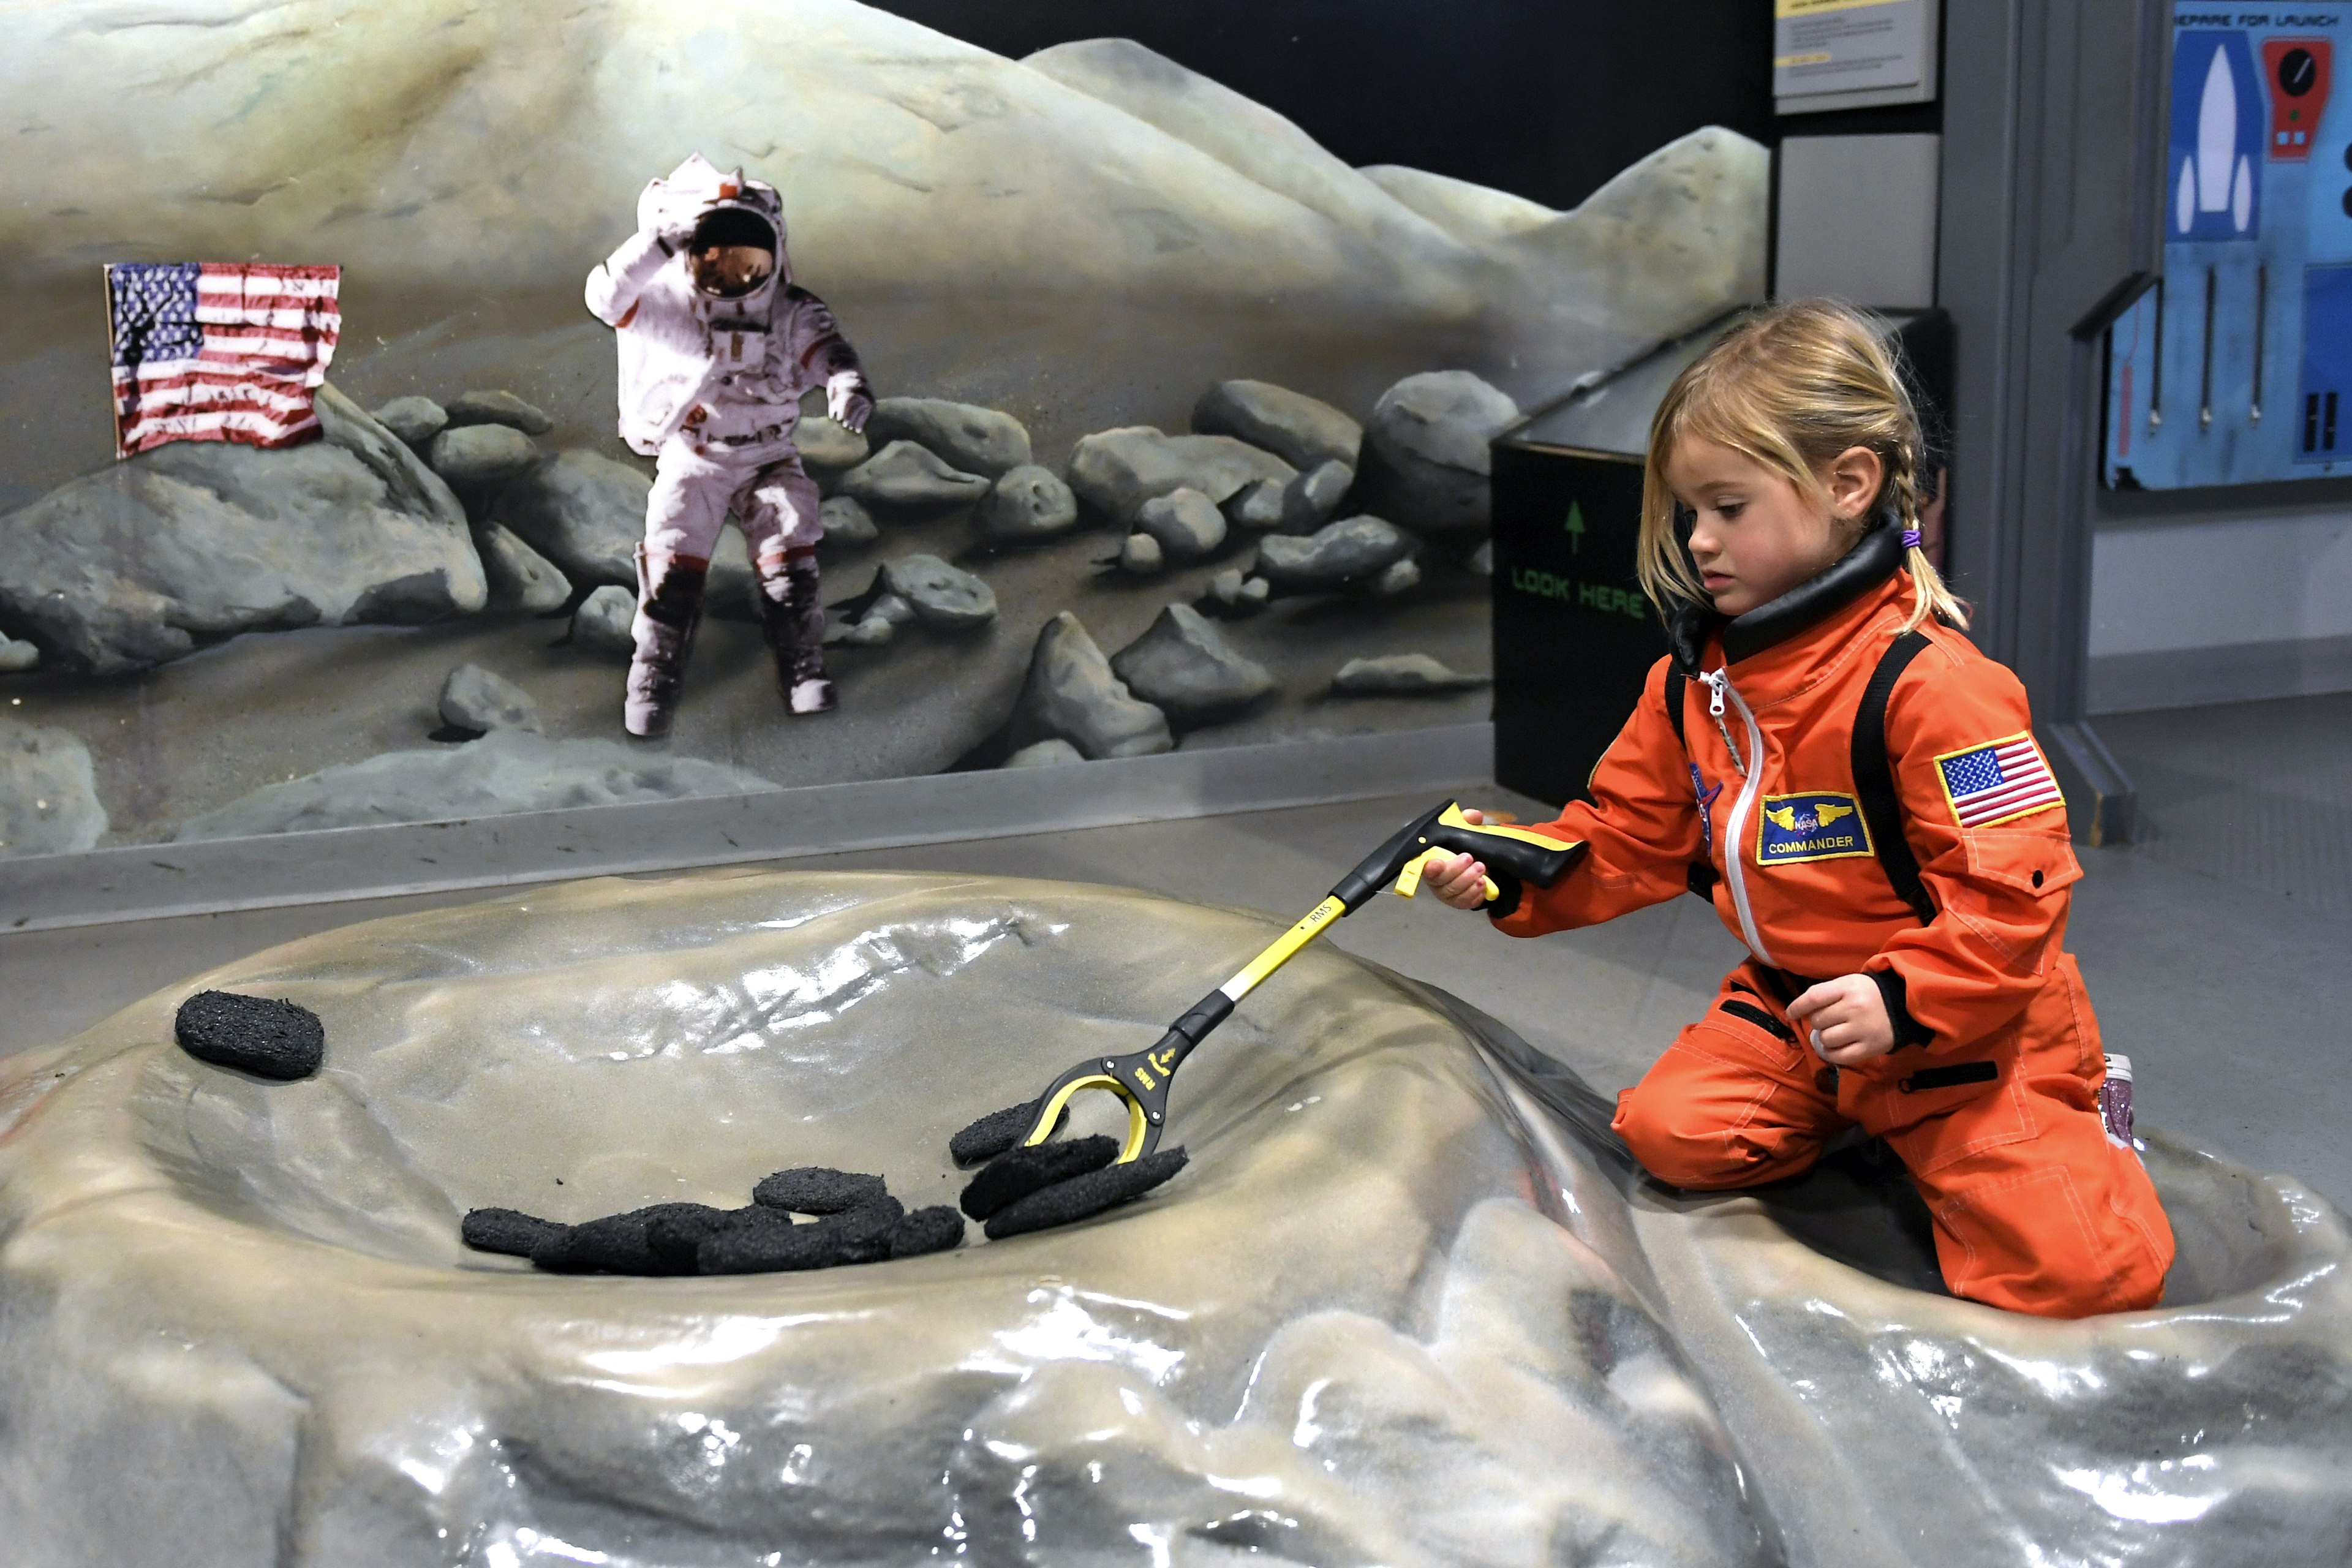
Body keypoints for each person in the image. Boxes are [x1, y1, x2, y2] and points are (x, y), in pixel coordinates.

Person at [1421, 300, 2173, 1317]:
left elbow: (2017, 901)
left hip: (1963, 1028)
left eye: (1729, 508)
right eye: (1690, 514)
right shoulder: (1697, 685)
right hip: (1802, 1005)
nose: (1700, 542)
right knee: (1669, 1135)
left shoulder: (1936, 687)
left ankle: (2083, 1108)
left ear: (1848, 483)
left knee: (2089, 1273)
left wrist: (1902, 1005)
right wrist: (1509, 872)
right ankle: (1860, 1108)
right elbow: (1623, 837)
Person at [584, 154, 874, 736]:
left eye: (749, 261)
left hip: (769, 455)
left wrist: (846, 382)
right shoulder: (675, 311)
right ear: (693, 256)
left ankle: (802, 668)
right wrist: (657, 246)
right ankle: (652, 681)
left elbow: (828, 349)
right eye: (716, 259)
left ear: (774, 255)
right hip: (696, 457)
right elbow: (607, 300)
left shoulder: (790, 311)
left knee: (790, 555)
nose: (735, 275)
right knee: (671, 573)